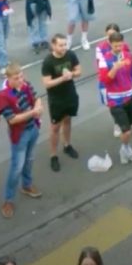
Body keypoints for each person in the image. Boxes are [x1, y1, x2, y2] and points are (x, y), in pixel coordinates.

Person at [0, 61, 44, 219]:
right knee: (16, 167)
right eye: (16, 78)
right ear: (9, 78)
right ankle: (8, 200)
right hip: (20, 134)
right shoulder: (4, 96)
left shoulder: (26, 85)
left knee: (29, 159)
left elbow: (37, 98)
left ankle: (27, 185)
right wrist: (33, 112)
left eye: (21, 76)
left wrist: (39, 107)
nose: (20, 80)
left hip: (33, 129)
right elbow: (13, 120)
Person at [96, 30, 132, 162]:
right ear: (110, 44)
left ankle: (125, 149)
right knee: (126, 131)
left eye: (120, 45)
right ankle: (126, 148)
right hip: (115, 101)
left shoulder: (128, 55)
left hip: (130, 96)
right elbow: (105, 80)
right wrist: (115, 67)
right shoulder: (104, 59)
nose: (118, 48)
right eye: (116, 45)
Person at [40, 35, 81, 173]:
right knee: (55, 127)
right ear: (53, 45)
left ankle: (67, 145)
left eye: (65, 45)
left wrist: (72, 74)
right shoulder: (48, 62)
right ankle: (53, 155)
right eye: (60, 45)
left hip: (70, 95)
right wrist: (63, 78)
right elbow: (47, 83)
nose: (63, 48)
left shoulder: (71, 55)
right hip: (56, 99)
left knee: (68, 120)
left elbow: (79, 71)